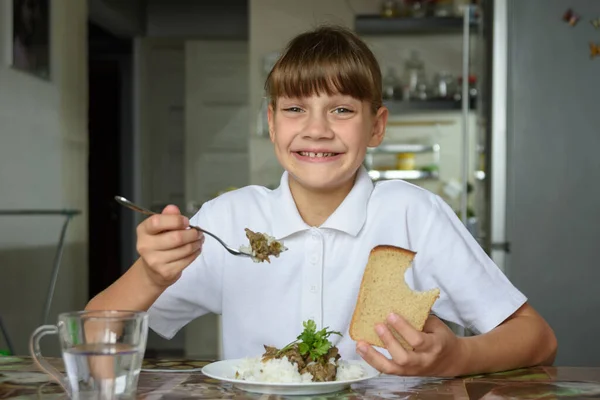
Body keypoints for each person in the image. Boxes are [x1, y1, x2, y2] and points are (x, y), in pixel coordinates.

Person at [86, 25, 557, 377]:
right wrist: (149, 274)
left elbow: (538, 338)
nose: (316, 129)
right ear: (271, 124)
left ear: (376, 126)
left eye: (342, 110)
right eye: (295, 109)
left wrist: (458, 356)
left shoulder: (413, 214)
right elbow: (94, 336)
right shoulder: (229, 220)